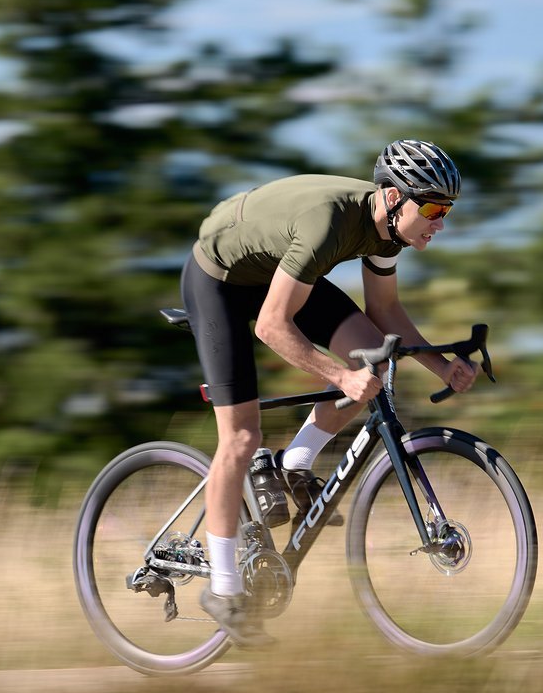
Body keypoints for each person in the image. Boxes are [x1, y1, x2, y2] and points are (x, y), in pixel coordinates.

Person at [179, 139, 480, 645]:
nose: (439, 222)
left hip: (281, 266)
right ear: (392, 197)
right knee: (240, 438)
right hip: (221, 279)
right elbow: (272, 326)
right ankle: (225, 590)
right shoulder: (330, 223)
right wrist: (340, 378)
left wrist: (442, 366)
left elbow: (386, 314)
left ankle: (294, 464)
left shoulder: (388, 235)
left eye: (446, 210)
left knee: (375, 358)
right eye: (431, 207)